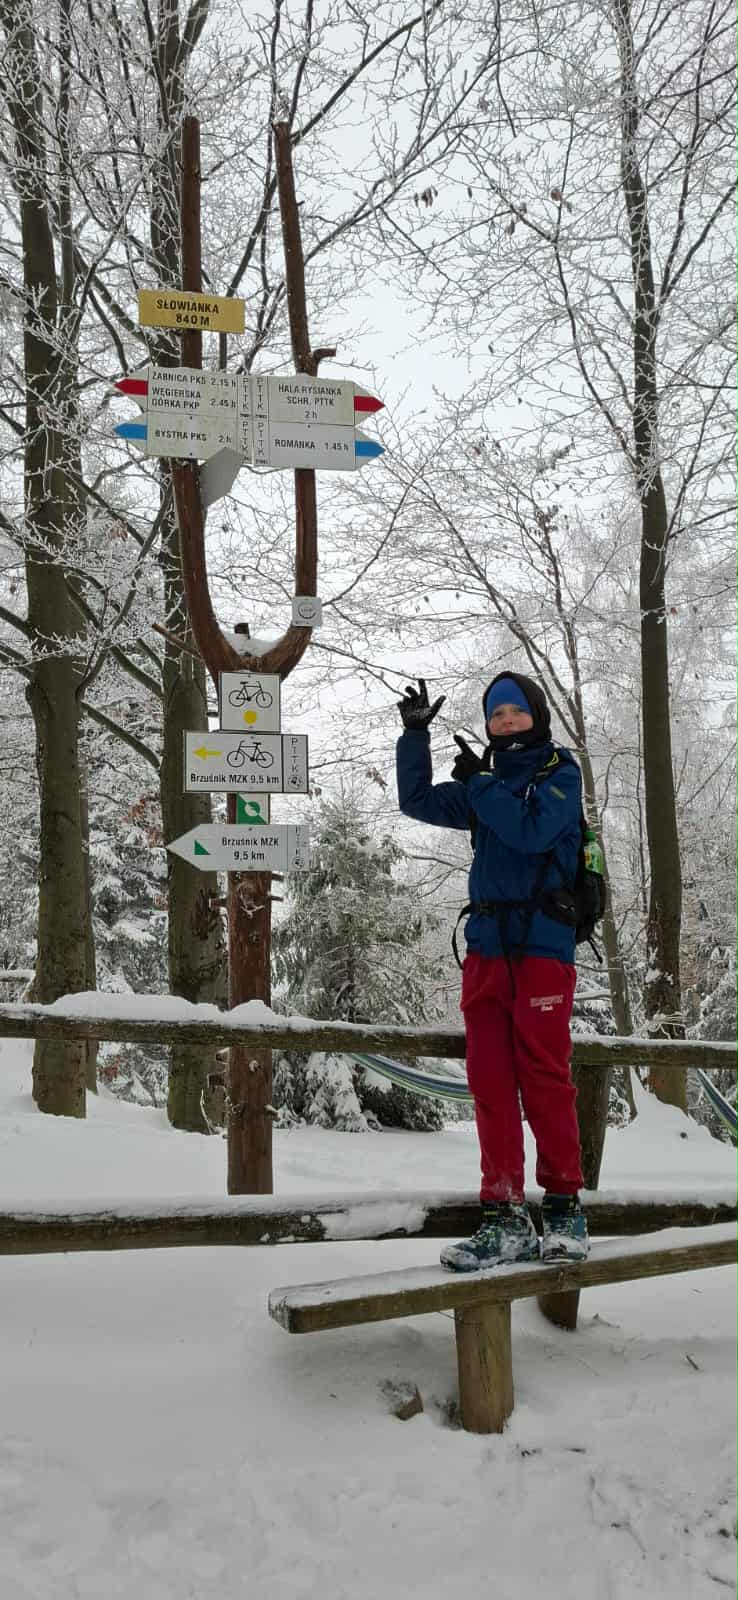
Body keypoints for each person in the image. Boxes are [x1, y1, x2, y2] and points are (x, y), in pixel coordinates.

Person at [396, 672, 589, 1272]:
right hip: (486, 951)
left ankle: (564, 1207)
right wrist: (414, 738)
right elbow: (416, 801)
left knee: (545, 1076)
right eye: (495, 715)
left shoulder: (560, 773)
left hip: (542, 950)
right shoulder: (486, 785)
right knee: (490, 1081)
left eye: (514, 712)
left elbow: (531, 832)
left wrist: (480, 782)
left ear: (536, 716)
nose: (504, 722)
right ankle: (503, 1214)